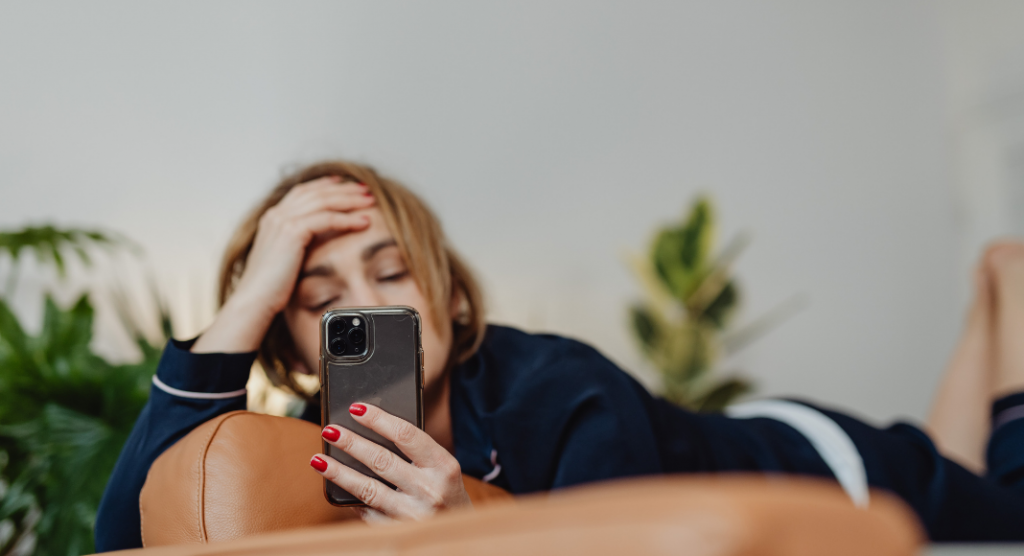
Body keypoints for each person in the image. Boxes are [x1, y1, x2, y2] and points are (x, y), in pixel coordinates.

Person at [94, 160, 1024, 551]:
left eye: (392, 273)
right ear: (291, 347)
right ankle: (994, 296)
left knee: (1003, 509)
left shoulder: (556, 385)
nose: (366, 309)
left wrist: (467, 525)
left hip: (823, 465)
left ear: (450, 297)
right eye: (322, 302)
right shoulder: (319, 446)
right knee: (962, 467)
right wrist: (247, 300)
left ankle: (1014, 285)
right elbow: (129, 542)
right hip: (780, 444)